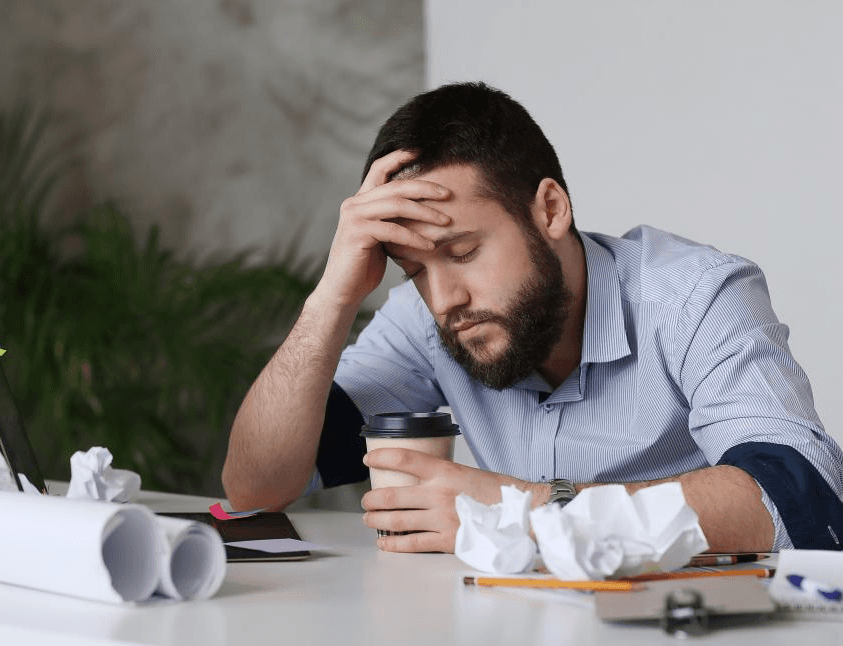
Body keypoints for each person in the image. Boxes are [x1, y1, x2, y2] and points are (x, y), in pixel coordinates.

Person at [222, 82, 843, 554]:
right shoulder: (431, 319)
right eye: (415, 272)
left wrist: (522, 509)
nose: (444, 299)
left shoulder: (694, 297)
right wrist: (332, 296)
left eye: (463, 252)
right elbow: (260, 488)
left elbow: (804, 502)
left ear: (549, 209)